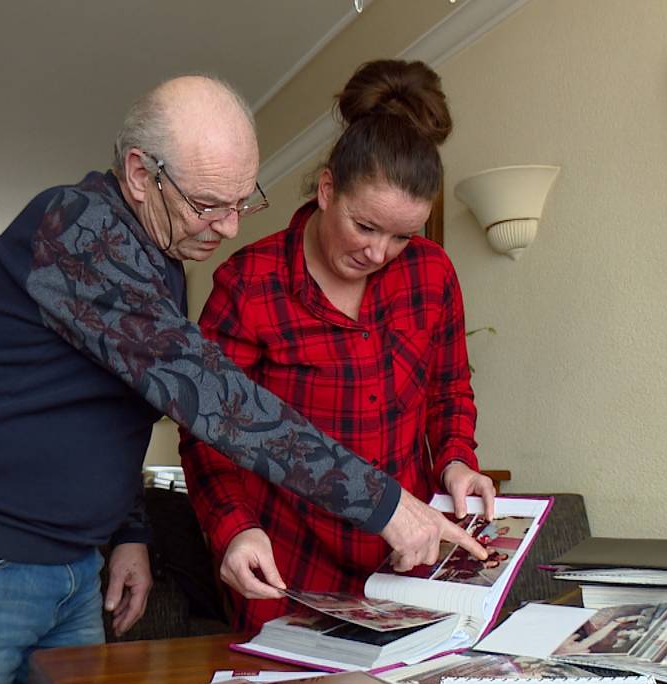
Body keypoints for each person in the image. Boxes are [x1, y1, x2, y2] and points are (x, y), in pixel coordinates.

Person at [0, 75, 486, 684]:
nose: (230, 225)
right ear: (140, 173)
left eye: (243, 202)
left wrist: (128, 531)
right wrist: (387, 505)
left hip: (72, 566)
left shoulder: (162, 265)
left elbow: (114, 415)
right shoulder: (78, 226)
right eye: (210, 203)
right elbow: (213, 399)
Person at [181, 59, 496, 631]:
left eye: (402, 236)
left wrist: (455, 459)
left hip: (407, 565)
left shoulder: (432, 276)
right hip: (287, 566)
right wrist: (235, 527)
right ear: (327, 189)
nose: (379, 253)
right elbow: (208, 430)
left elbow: (449, 388)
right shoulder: (250, 284)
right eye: (366, 226)